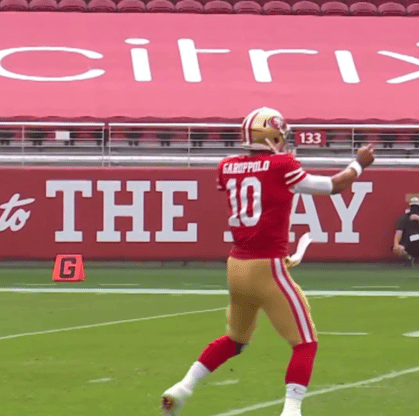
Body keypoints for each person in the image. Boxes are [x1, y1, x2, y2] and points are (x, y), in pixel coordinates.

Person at [160, 107, 375, 416]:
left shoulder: (227, 167)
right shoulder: (281, 164)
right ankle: (292, 411)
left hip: (237, 266)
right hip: (267, 267)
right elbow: (332, 186)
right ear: (272, 136)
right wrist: (359, 164)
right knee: (305, 343)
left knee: (235, 340)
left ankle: (183, 387)